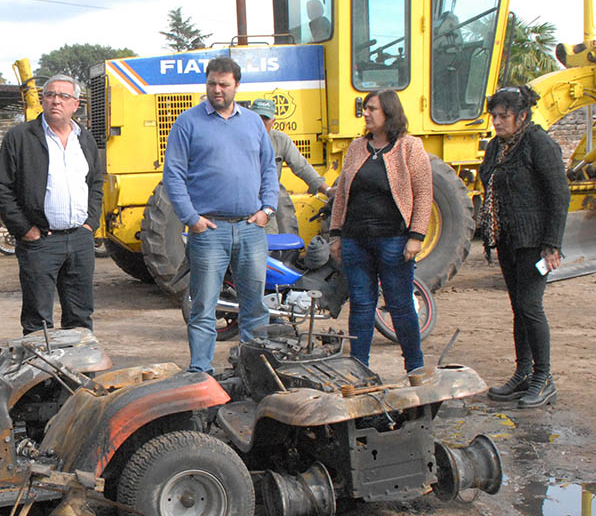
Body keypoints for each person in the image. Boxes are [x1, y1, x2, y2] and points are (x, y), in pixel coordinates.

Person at [162, 57, 279, 373]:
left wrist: (268, 208)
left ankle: (253, 372)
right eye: (212, 83)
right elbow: (173, 174)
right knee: (203, 307)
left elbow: (269, 168)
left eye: (224, 84)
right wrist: (191, 218)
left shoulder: (253, 122)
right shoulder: (188, 123)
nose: (217, 90)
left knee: (254, 306)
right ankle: (201, 372)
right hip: (209, 231)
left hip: (251, 229)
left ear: (237, 86)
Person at [0, 74, 103, 334]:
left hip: (80, 240)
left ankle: (78, 360)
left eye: (63, 96)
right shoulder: (20, 137)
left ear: (76, 104)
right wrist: (25, 230)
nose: (56, 101)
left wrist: (90, 224)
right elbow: (1, 186)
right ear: (42, 100)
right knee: (37, 320)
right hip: (40, 242)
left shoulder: (85, 139)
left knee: (80, 317)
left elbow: (96, 183)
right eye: (50, 95)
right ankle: (40, 363)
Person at [479, 85, 569, 409]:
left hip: (534, 241)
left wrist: (552, 244)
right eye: (494, 115)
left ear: (522, 116)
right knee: (519, 307)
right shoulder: (496, 146)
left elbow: (559, 195)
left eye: (503, 116)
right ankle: (523, 374)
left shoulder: (538, 143)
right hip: (508, 239)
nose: (496, 122)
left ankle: (544, 378)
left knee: (530, 306)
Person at [329, 89, 432, 372]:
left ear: (389, 112)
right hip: (356, 241)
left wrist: (416, 236)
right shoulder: (356, 147)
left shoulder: (410, 147)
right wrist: (336, 233)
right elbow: (342, 193)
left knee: (400, 305)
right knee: (361, 305)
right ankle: (359, 368)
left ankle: (415, 367)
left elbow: (424, 193)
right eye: (365, 108)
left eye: (372, 108)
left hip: (394, 240)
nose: (366, 113)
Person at [249, 98, 329, 236]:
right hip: (248, 191)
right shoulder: (239, 140)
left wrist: (327, 190)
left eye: (265, 118)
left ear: (273, 121)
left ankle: (289, 246)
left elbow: (301, 166)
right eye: (257, 118)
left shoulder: (281, 140)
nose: (261, 122)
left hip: (273, 189)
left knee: (286, 224)